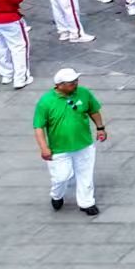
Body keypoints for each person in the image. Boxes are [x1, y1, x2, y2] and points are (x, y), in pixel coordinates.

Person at [33, 66, 106, 216]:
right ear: (59, 85)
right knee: (61, 176)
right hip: (59, 148)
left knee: (85, 174)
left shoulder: (84, 93)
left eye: (76, 81)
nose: (76, 84)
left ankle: (87, 203)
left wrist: (100, 128)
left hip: (84, 143)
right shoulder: (46, 102)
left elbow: (93, 110)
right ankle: (56, 195)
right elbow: (38, 127)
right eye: (71, 83)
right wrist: (44, 147)